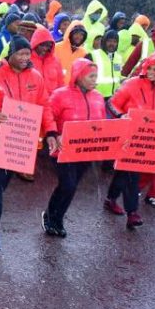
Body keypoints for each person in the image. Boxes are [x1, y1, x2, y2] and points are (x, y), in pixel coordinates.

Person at [0, 36, 57, 252]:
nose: (25, 58)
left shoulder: (36, 77)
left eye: (28, 54)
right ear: (11, 54)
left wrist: (52, 132)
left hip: (20, 139)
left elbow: (44, 106)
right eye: (21, 53)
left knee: (1, 183)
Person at [105, 52, 155, 222]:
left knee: (126, 172)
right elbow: (112, 102)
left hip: (152, 142)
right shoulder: (132, 84)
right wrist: (120, 116)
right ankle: (132, 212)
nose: (152, 73)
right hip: (129, 136)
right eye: (150, 69)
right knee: (131, 173)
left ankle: (111, 198)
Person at [42, 59, 105, 237]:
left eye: (96, 76)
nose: (95, 80)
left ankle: (58, 217)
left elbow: (103, 124)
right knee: (68, 184)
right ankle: (50, 216)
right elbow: (48, 115)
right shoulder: (60, 95)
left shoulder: (98, 97)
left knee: (71, 186)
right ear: (79, 76)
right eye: (91, 76)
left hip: (86, 151)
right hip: (63, 149)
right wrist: (53, 134)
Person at [87, 30, 123, 100]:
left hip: (114, 97)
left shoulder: (118, 57)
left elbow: (118, 75)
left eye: (115, 42)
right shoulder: (93, 55)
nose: (112, 44)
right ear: (104, 41)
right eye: (109, 41)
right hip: (96, 97)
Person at [55, 21, 88, 86]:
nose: (79, 37)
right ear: (70, 33)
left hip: (73, 90)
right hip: (56, 88)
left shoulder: (84, 53)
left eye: (81, 35)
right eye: (76, 34)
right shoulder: (56, 48)